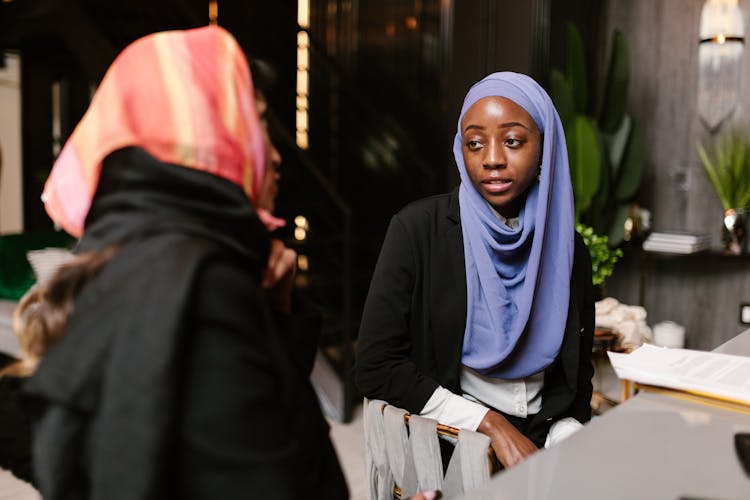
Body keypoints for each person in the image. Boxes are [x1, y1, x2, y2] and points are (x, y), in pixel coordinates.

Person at [5, 26, 348, 499]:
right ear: (200, 135)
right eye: (257, 120)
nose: (273, 153)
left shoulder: (124, 262)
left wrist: (277, 311)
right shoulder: (202, 288)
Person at [354, 72, 595, 469]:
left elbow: (576, 375)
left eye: (513, 140)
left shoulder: (570, 250)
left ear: (545, 148)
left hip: (545, 437)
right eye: (475, 143)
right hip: (453, 438)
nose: (492, 158)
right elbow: (376, 367)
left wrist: (565, 434)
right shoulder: (417, 230)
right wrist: (492, 426)